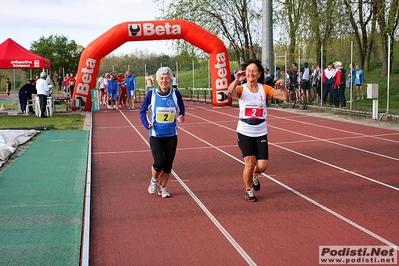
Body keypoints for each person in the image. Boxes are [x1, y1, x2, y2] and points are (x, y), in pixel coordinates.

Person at [227, 59, 289, 202]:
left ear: (259, 73)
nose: (251, 73)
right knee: (249, 162)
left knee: (262, 166)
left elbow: (284, 97)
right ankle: (248, 190)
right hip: (245, 130)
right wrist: (236, 80)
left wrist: (283, 88)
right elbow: (230, 92)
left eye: (254, 70)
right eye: (248, 71)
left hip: (260, 130)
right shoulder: (242, 89)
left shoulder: (264, 88)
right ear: (245, 74)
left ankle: (254, 175)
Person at [140, 67, 185, 198]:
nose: (164, 81)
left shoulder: (176, 94)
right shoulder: (151, 95)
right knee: (159, 162)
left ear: (171, 80)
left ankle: (163, 187)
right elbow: (142, 112)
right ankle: (153, 181)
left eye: (166, 78)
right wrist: (146, 124)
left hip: (171, 134)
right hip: (156, 134)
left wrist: (181, 116)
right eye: (161, 78)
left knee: (168, 165)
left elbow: (181, 109)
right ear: (157, 80)